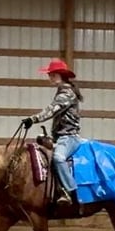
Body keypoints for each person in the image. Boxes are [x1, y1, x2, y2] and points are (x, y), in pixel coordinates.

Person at [21, 58, 84, 205]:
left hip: (69, 138)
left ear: (60, 75)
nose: (50, 77)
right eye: (50, 75)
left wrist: (33, 119)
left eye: (52, 74)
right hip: (60, 137)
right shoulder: (62, 91)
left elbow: (51, 111)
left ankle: (70, 191)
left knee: (58, 158)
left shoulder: (67, 94)